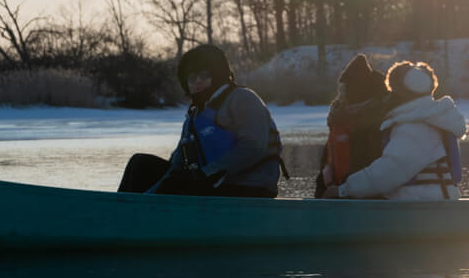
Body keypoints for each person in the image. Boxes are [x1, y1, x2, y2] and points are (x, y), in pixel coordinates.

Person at [117, 43, 283, 197]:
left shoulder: (242, 99)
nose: (198, 83)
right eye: (192, 78)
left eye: (204, 76)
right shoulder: (195, 115)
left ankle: (134, 213)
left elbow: (253, 147)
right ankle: (122, 210)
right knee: (140, 164)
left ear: (217, 76)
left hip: (249, 187)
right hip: (211, 185)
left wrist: (207, 173)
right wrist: (156, 190)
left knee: (180, 182)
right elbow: (178, 163)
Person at [325, 61, 466, 201]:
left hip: (420, 204)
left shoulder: (416, 126)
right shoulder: (425, 118)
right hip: (424, 201)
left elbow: (388, 172)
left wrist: (343, 190)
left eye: (393, 89)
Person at [316, 54, 393, 198]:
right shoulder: (338, 119)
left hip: (368, 200)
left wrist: (344, 191)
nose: (342, 94)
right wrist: (321, 194)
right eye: (342, 89)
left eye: (346, 89)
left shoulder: (380, 119)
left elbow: (377, 168)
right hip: (337, 195)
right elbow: (327, 162)